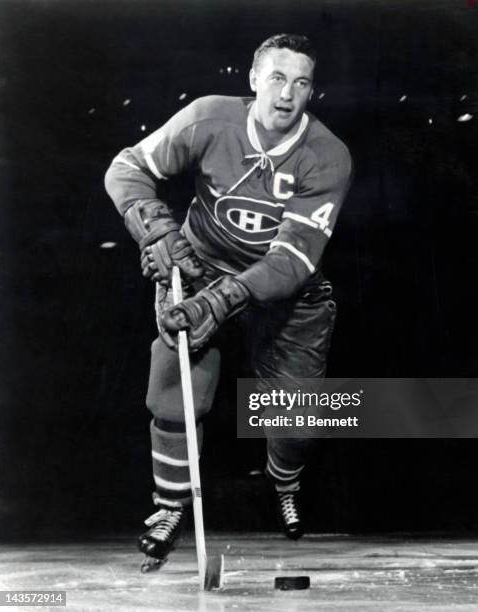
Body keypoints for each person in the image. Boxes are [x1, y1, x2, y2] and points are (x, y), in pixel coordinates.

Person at [105, 33, 353, 564]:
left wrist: (220, 303)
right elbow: (126, 168)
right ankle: (170, 505)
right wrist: (156, 232)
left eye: (301, 82)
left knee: (297, 419)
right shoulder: (208, 118)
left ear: (311, 92)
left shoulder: (328, 156)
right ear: (253, 80)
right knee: (174, 388)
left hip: (289, 294)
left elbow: (290, 263)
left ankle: (283, 485)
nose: (287, 94)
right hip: (199, 269)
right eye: (277, 78)